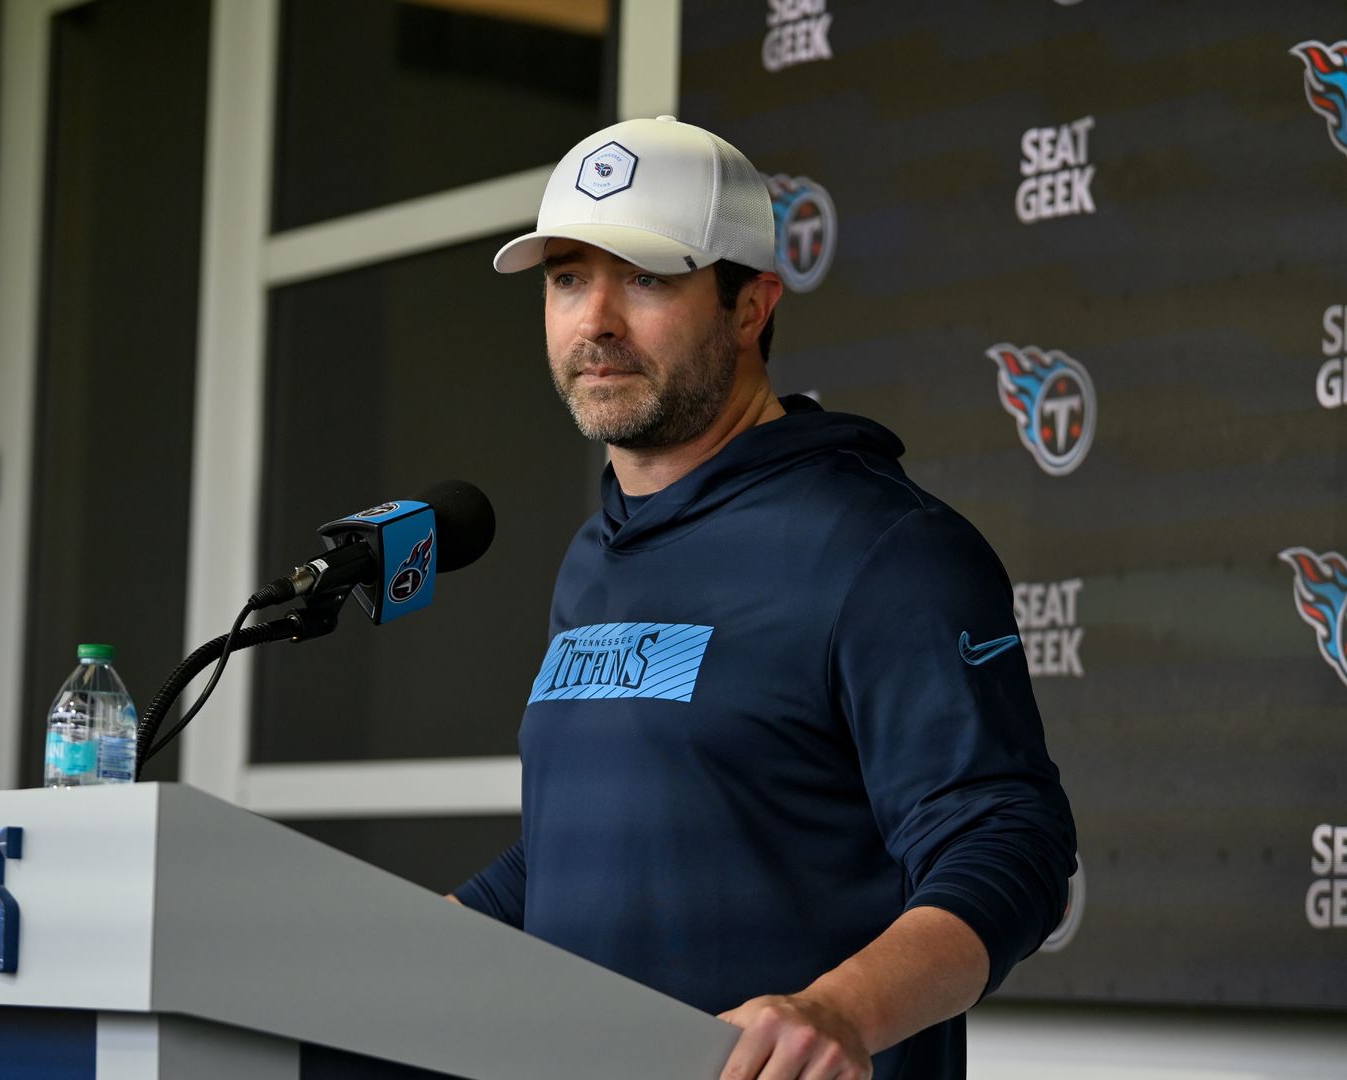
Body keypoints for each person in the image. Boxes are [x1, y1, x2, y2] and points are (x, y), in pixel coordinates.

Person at [451, 116, 1076, 1080]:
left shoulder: (885, 549)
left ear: (752, 305)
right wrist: (409, 940)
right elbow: (577, 854)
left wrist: (841, 1012)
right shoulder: (595, 555)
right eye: (568, 277)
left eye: (647, 276)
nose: (597, 320)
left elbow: (1010, 844)